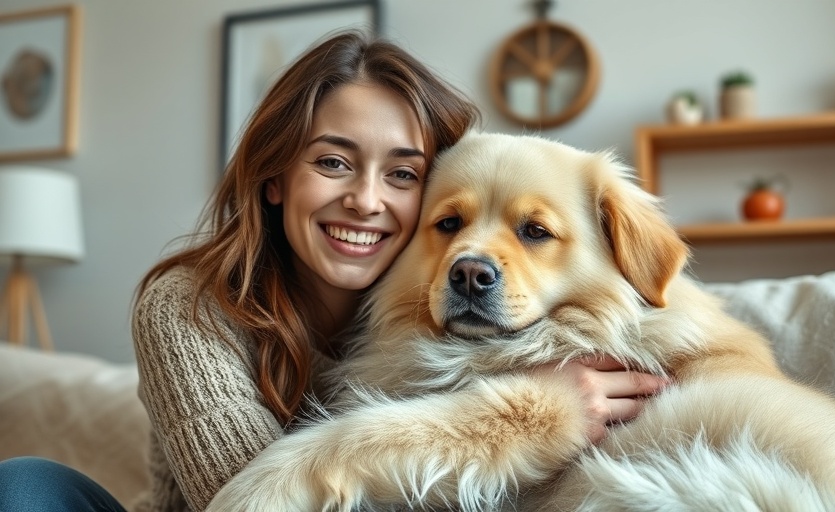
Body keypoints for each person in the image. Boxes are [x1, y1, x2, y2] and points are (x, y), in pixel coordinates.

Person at [0, 31, 668, 512]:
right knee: (25, 485)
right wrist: (525, 418)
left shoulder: (449, 290)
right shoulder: (186, 307)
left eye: (403, 174)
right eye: (332, 162)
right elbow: (252, 500)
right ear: (273, 178)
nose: (367, 200)